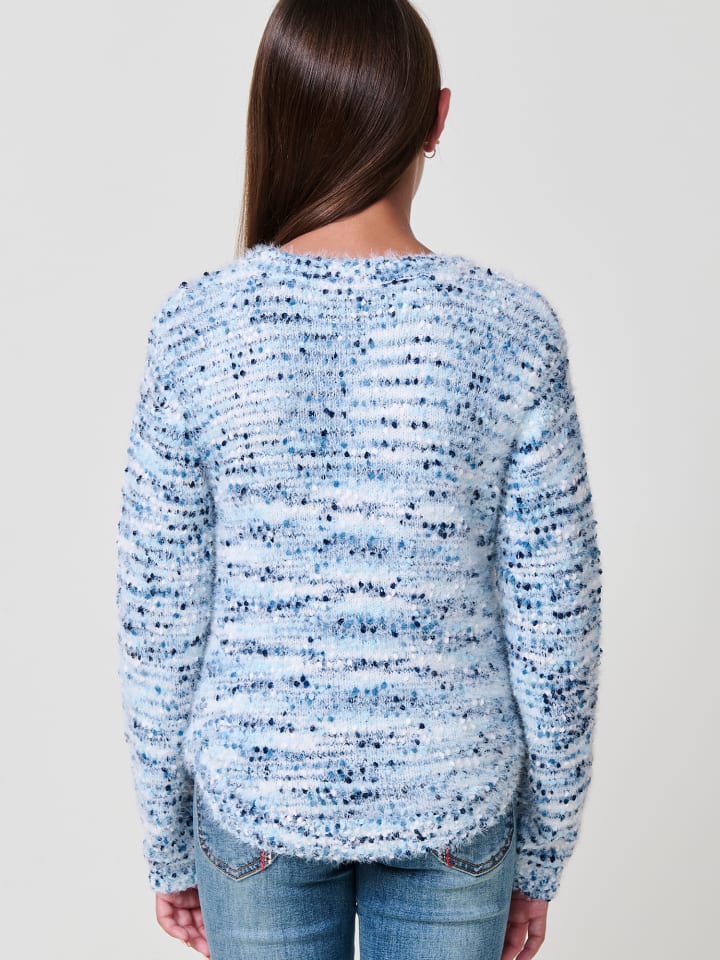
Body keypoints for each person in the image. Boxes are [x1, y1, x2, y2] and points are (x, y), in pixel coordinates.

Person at [115, 2, 603, 959]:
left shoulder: (197, 330)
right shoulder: (511, 332)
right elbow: (559, 626)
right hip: (457, 801)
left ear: (274, 116)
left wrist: (167, 840)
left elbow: (158, 617)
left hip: (255, 801)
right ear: (437, 117)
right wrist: (541, 852)